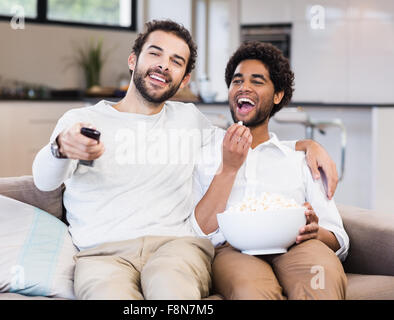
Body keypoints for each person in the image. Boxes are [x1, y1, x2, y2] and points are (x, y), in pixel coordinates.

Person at [32, 20, 338, 300]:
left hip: (176, 249)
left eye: (176, 62)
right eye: (155, 54)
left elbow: (247, 139)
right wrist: (60, 148)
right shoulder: (82, 120)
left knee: (173, 295)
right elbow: (44, 182)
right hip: (102, 256)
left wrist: (305, 144)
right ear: (133, 60)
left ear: (184, 78)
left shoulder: (190, 120)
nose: (164, 65)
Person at [191, 41, 349, 300]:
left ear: (277, 96)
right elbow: (199, 231)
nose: (244, 87)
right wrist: (229, 167)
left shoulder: (300, 158)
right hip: (232, 251)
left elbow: (339, 238)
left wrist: (314, 231)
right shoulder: (205, 153)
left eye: (257, 81)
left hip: (298, 245)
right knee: (251, 291)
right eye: (237, 80)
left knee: (322, 279)